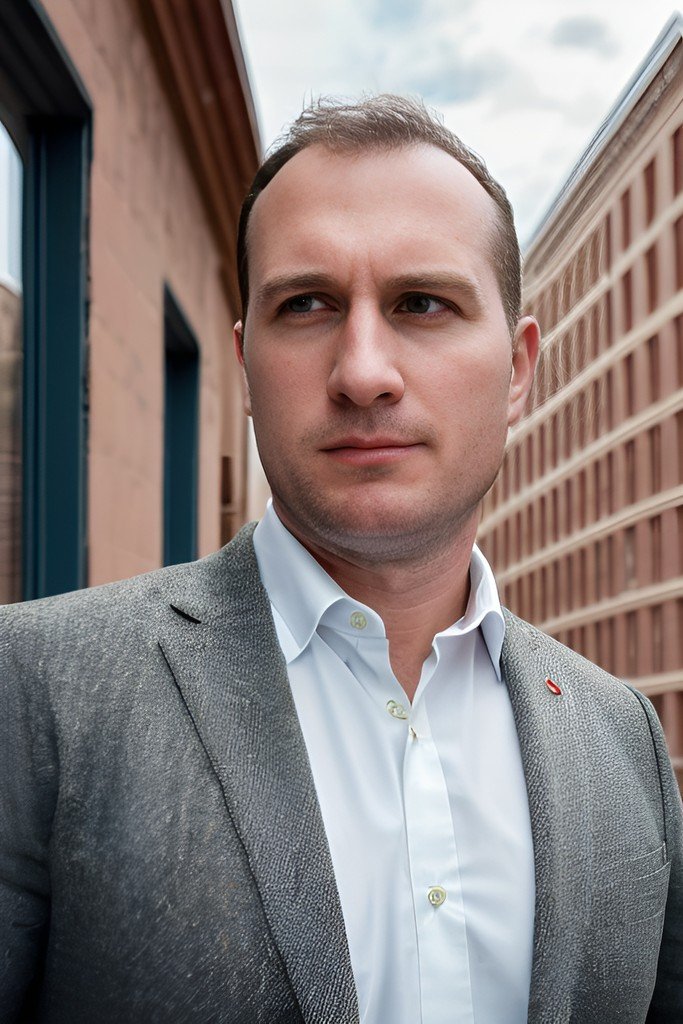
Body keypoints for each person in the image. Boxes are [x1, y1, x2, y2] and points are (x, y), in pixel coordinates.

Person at [0, 95, 680, 1024]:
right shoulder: (35, 689)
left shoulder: (622, 739)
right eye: (308, 304)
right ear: (245, 364)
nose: (363, 371)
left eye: (422, 304)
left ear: (519, 370)